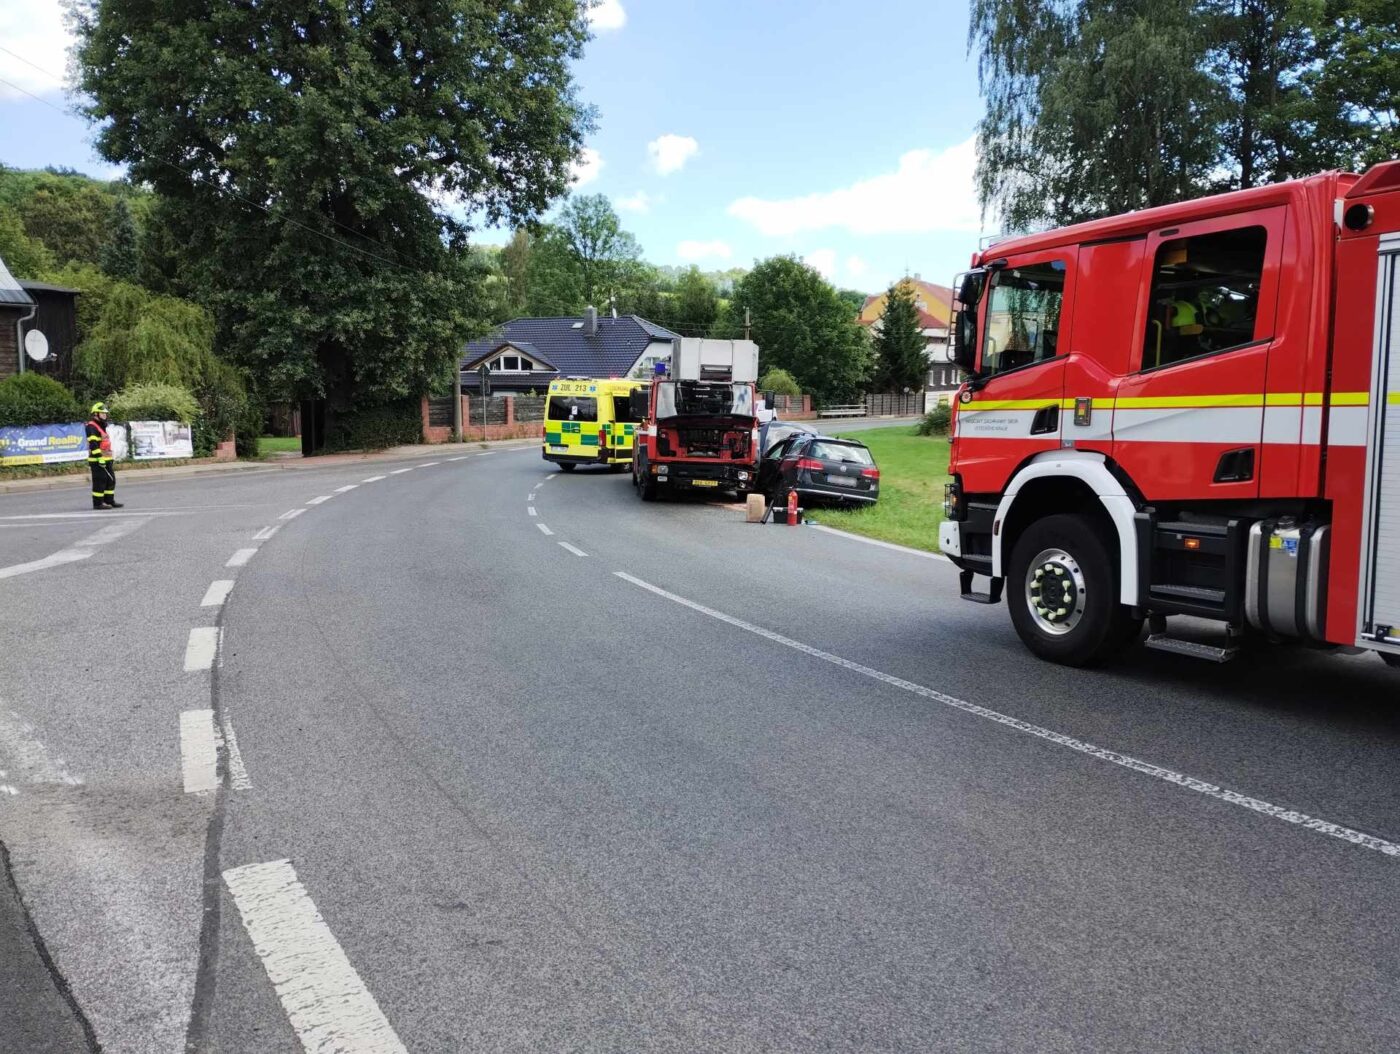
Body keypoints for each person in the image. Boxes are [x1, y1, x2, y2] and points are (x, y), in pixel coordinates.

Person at [85, 402, 123, 509]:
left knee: (111, 480)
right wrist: (99, 458)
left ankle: (109, 501)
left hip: (106, 459)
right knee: (100, 481)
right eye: (102, 413)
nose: (105, 415)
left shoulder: (101, 426)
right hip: (97, 460)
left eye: (105, 413)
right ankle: (97, 503)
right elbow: (93, 444)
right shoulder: (91, 427)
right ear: (96, 414)